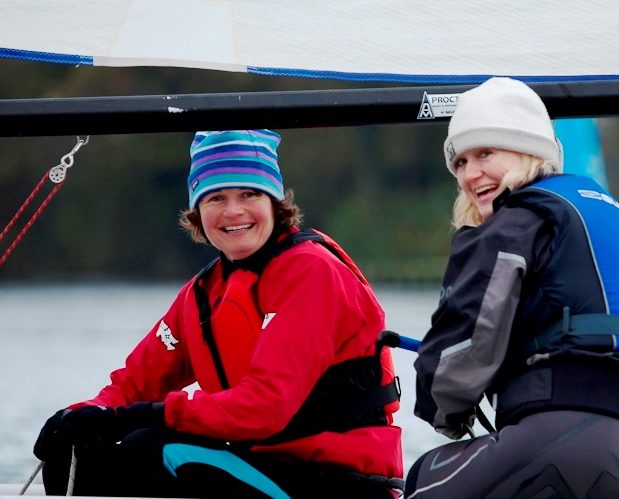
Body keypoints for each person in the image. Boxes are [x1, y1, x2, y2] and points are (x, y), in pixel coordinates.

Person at [33, 129, 404, 498]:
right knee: (74, 454)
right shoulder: (203, 292)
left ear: (275, 202)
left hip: (339, 481)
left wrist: (139, 417)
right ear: (198, 211)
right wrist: (83, 414)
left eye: (249, 194)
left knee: (149, 448)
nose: (233, 211)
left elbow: (265, 407)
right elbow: (134, 384)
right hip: (265, 465)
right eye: (215, 198)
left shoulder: (312, 272)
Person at [406, 78, 619, 498]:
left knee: (424, 481)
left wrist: (444, 410)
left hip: (560, 448)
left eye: (485, 153)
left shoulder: (511, 226)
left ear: (526, 150)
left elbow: (459, 354)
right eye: (461, 163)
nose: (471, 174)